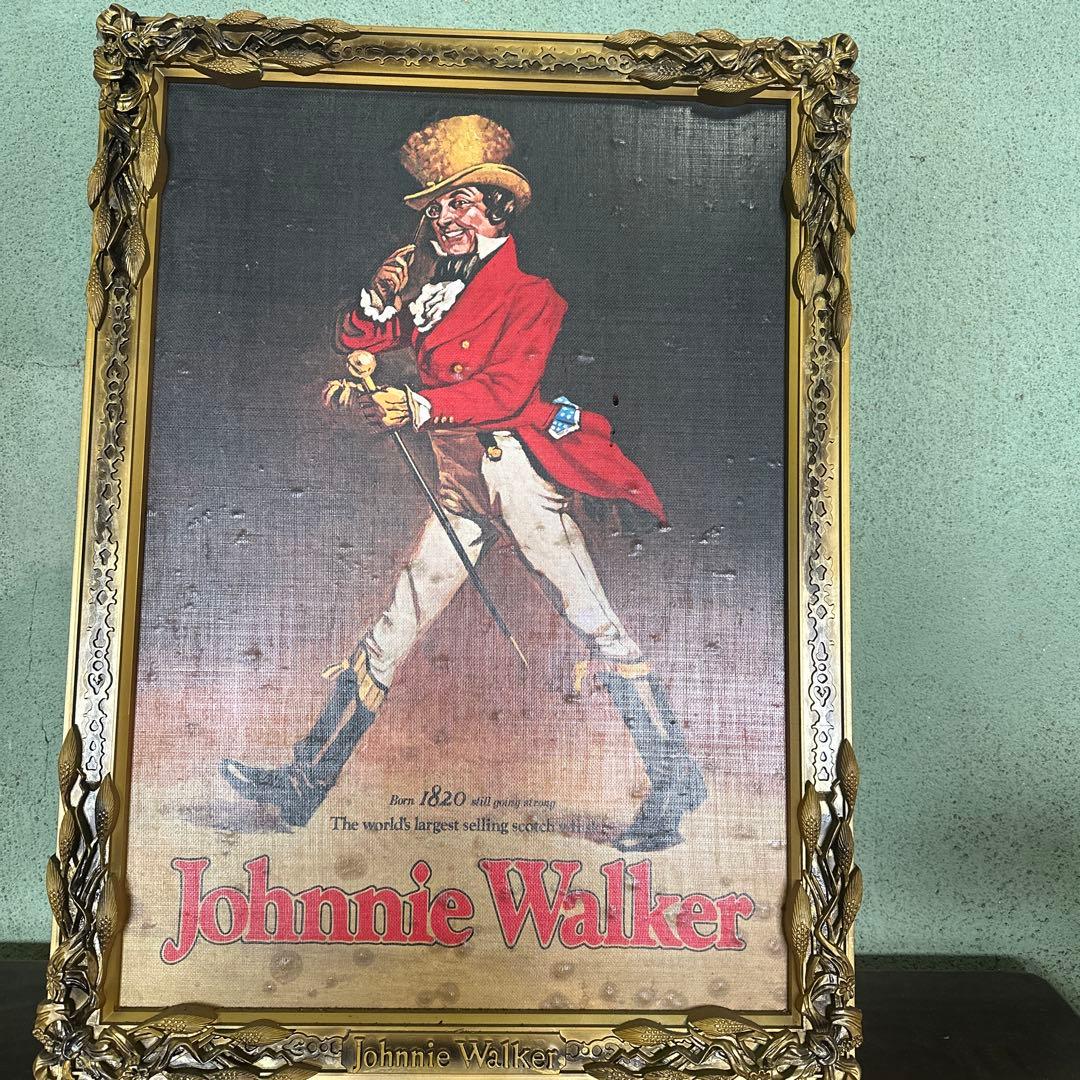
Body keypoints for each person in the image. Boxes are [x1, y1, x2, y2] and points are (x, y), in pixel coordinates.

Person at [222, 115, 704, 851]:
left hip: (516, 474)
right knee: (397, 622)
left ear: (497, 210)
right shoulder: (432, 289)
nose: (444, 217)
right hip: (457, 480)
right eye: (436, 206)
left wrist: (417, 405)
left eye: (459, 202)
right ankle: (302, 783)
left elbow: (506, 390)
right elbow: (359, 340)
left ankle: (674, 779)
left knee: (593, 620)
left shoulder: (533, 295)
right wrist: (381, 293)